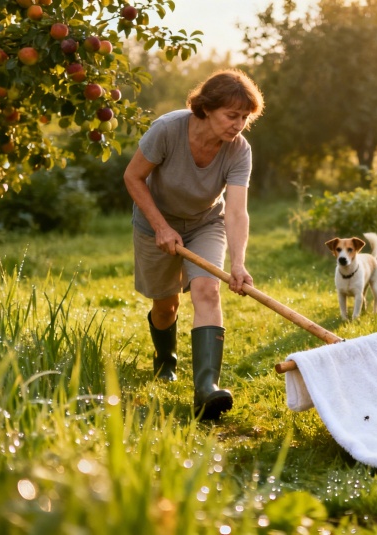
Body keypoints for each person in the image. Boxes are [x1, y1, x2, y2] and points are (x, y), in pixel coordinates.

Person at [123, 69, 264, 420]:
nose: (238, 125)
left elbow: (236, 211)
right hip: (155, 221)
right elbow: (133, 177)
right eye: (232, 116)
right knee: (166, 306)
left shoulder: (239, 151)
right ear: (206, 108)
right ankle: (165, 359)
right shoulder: (168, 129)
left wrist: (238, 263)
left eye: (245, 118)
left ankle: (206, 389)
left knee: (207, 291)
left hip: (205, 223)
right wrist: (160, 226)